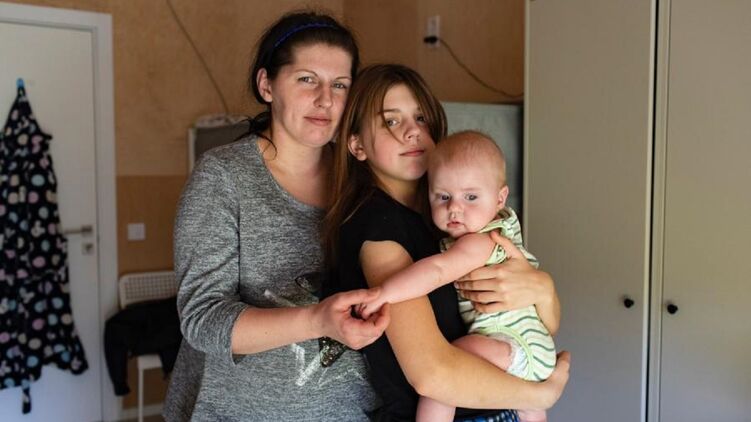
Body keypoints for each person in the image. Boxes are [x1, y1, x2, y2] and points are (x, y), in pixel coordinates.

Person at [163, 11, 391, 421]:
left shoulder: (365, 176)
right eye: (307, 79)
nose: (326, 99)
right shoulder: (224, 177)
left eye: (340, 84)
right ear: (266, 84)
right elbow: (201, 319)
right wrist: (317, 320)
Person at [322, 64, 570, 422]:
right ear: (357, 145)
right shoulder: (379, 225)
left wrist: (542, 287)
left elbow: (547, 323)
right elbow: (431, 375)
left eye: (421, 118)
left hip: (499, 401)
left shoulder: (448, 219)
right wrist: (540, 395)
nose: (413, 131)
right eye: (391, 121)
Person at [357, 131, 556, 422]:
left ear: (500, 198)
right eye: (443, 197)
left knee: (446, 375)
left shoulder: (481, 242)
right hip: (530, 348)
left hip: (515, 344)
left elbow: (437, 271)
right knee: (525, 403)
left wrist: (384, 292)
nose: (454, 208)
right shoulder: (497, 229)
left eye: (471, 197)